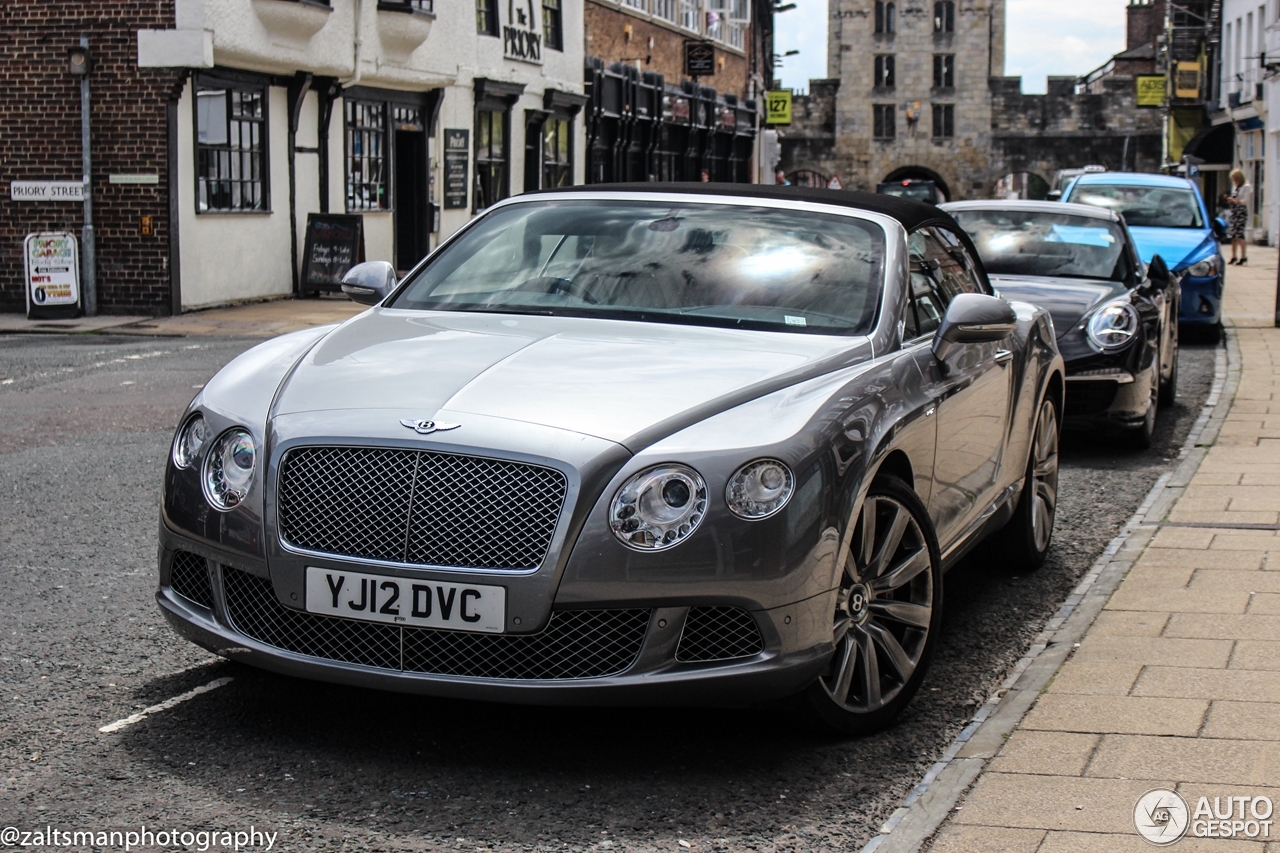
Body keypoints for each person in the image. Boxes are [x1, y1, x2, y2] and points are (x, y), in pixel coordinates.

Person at [1225, 168, 1253, 265]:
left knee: (1240, 235)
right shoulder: (1236, 187)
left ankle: (1243, 256)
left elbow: (1245, 201)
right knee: (1233, 236)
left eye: (1235, 178)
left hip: (1240, 212)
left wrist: (1235, 201)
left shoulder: (1246, 187)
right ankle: (1233, 256)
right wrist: (1229, 199)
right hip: (1234, 212)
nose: (1234, 181)